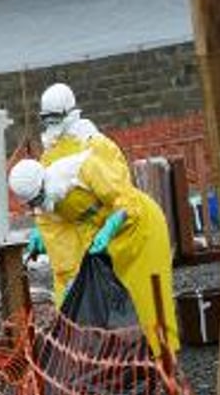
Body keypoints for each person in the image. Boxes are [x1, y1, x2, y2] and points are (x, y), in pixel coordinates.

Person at [9, 150, 180, 356]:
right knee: (115, 303)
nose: (38, 205)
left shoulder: (87, 169)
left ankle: (162, 356)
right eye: (32, 203)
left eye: (39, 198)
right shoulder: (49, 206)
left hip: (140, 229)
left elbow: (125, 199)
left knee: (147, 296)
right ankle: (133, 360)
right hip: (108, 243)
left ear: (44, 181)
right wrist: (70, 276)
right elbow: (64, 244)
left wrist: (112, 224)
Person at [26, 82, 137, 305]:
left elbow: (123, 194)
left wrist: (111, 226)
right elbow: (45, 197)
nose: (50, 124)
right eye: (46, 118)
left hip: (101, 240)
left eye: (54, 118)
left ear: (69, 113)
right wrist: (40, 229)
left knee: (111, 309)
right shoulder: (50, 154)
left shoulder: (97, 147)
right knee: (71, 315)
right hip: (67, 251)